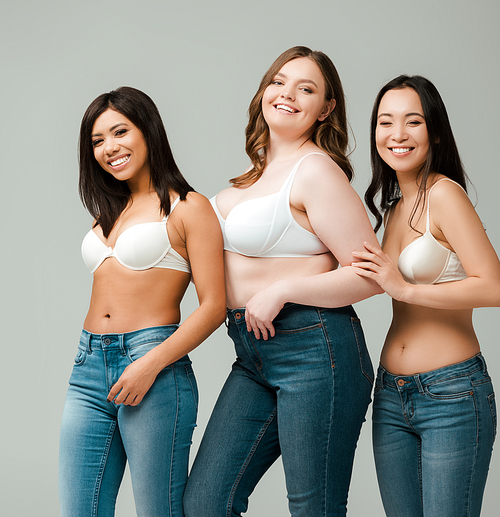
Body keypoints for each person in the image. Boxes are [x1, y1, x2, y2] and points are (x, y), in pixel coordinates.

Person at [184, 46, 382, 517]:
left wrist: (283, 289)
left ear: (326, 109)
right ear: (263, 92)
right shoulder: (245, 182)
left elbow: (371, 275)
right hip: (252, 353)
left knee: (313, 508)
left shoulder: (315, 171)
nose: (287, 94)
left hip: (316, 349)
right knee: (206, 502)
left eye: (306, 88)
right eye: (278, 81)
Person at [59, 87, 226, 517]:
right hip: (89, 365)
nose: (109, 148)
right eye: (97, 141)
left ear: (147, 131)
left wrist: (147, 365)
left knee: (158, 511)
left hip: (153, 363)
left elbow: (213, 307)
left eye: (120, 132)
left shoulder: (190, 208)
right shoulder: (107, 214)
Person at [352, 75, 500, 517]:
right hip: (392, 396)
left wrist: (404, 287)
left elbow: (494, 286)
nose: (397, 135)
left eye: (412, 121)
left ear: (433, 131)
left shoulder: (445, 195)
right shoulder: (395, 207)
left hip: (452, 394)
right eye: (385, 122)